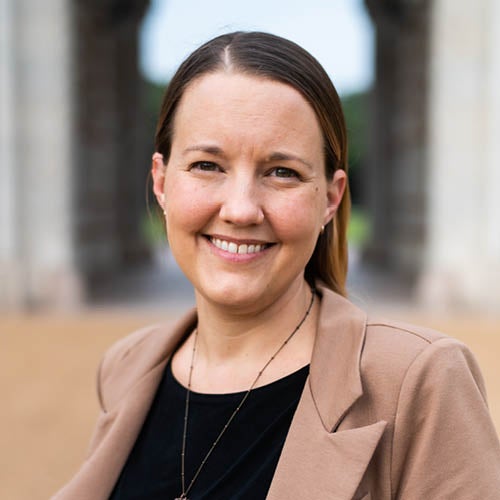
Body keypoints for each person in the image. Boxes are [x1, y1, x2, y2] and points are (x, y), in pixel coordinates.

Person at [53, 31, 500, 500]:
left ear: (330, 197)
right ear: (162, 183)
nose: (241, 209)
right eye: (208, 165)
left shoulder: (419, 380)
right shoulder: (125, 366)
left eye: (281, 172)